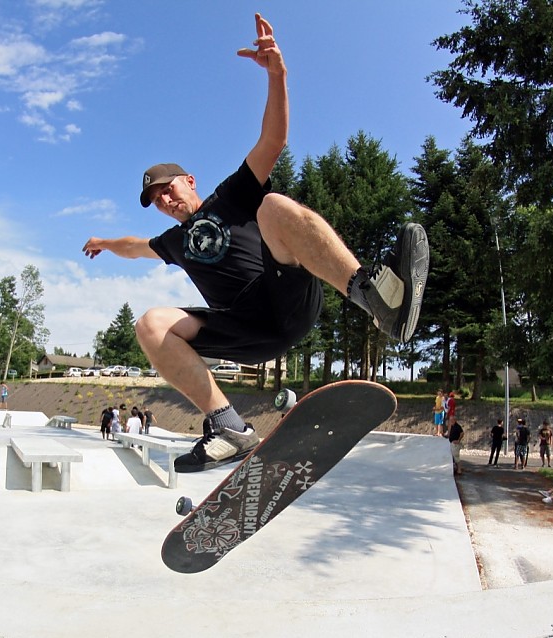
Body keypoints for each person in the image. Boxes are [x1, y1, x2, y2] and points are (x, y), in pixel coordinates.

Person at [82, 14, 429, 472]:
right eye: (156, 199)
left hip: (282, 295)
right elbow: (135, 245)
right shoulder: (173, 241)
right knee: (150, 324)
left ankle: (372, 297)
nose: (165, 200)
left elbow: (274, 138)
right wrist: (104, 243)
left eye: (168, 189)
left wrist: (277, 74)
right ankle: (228, 426)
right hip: (244, 329)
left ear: (189, 181)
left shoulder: (232, 194)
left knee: (273, 206)